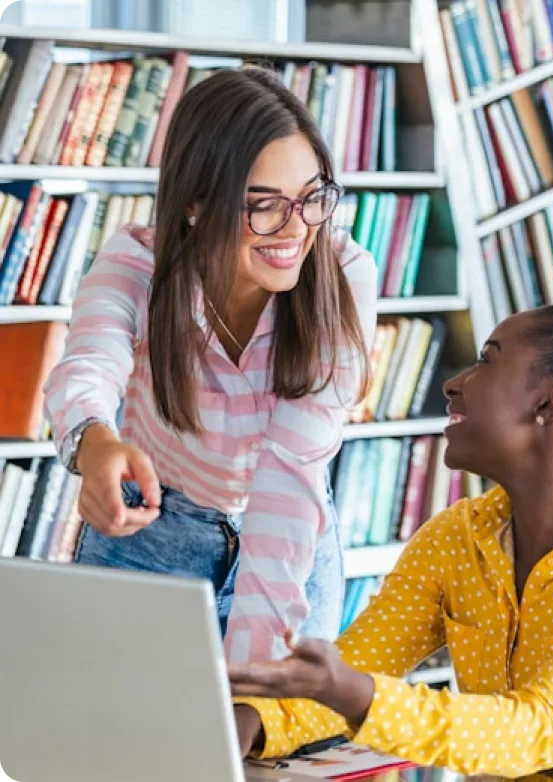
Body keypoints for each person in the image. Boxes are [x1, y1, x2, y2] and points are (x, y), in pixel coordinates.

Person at [229, 244, 553, 778]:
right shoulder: (456, 540)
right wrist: (247, 722)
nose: (452, 383)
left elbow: (533, 730)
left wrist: (352, 692)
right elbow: (354, 668)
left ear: (552, 403)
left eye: (487, 359)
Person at [43, 67, 376, 663]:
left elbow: (289, 475)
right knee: (115, 746)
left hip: (294, 542)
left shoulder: (345, 277)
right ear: (196, 203)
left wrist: (253, 675)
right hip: (150, 541)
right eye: (263, 206)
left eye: (311, 198)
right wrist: (93, 445)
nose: (295, 229)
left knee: (272, 746)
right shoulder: (139, 263)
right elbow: (89, 363)